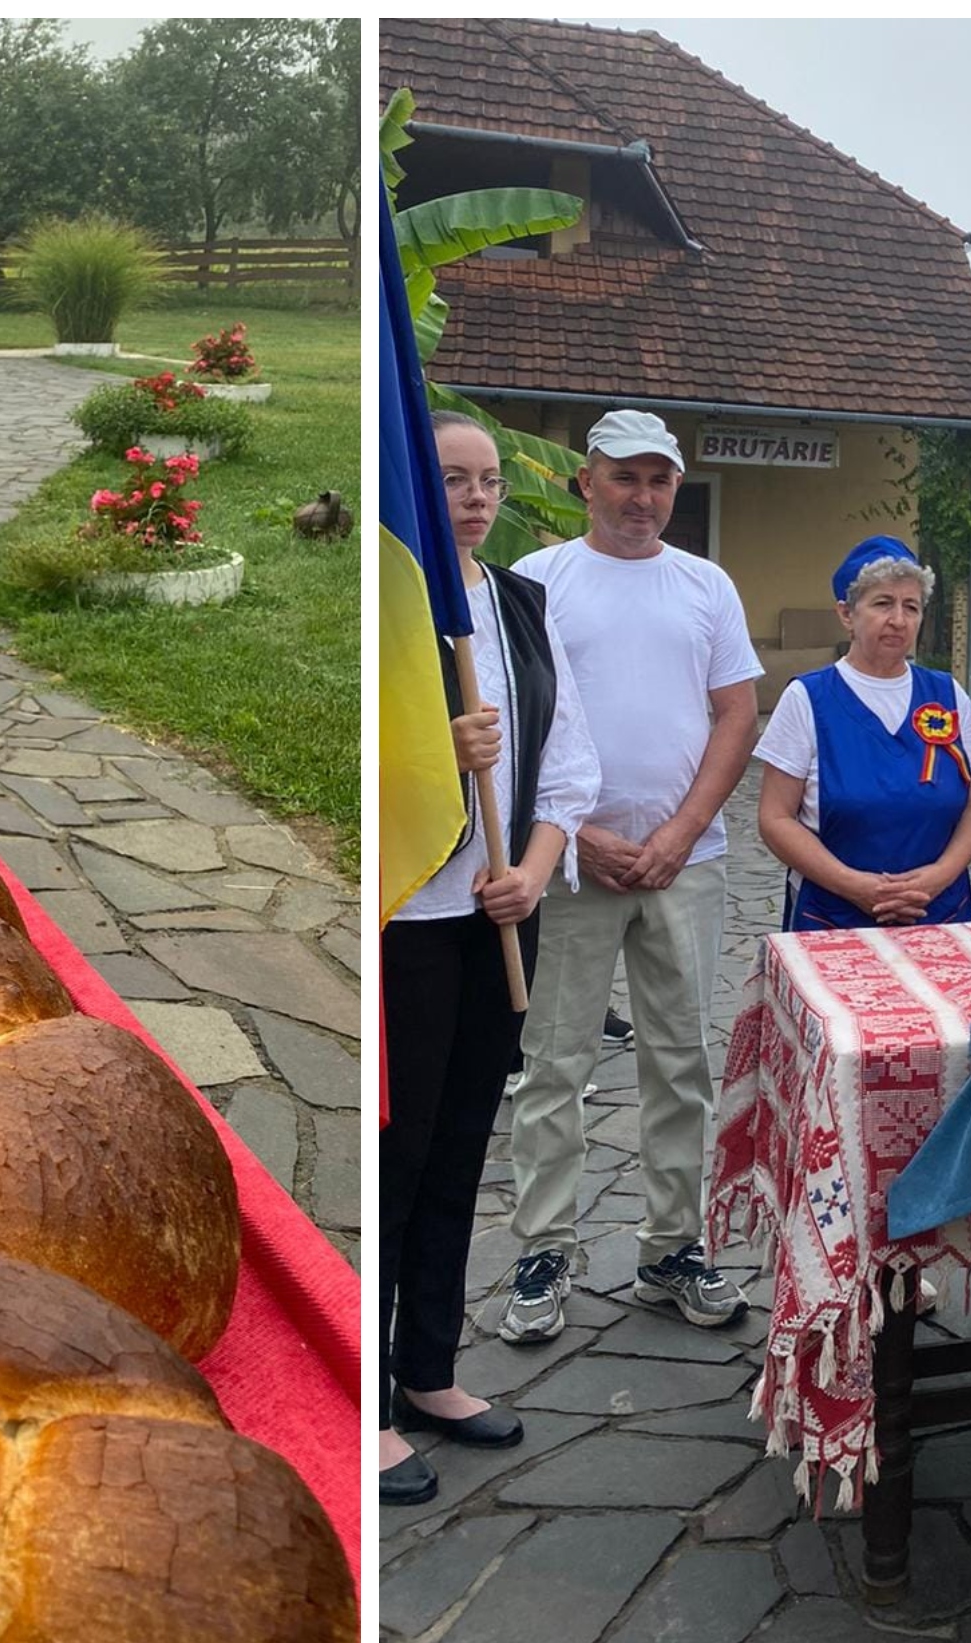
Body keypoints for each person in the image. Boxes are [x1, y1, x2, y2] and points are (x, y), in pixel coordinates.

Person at [494, 410, 762, 1344]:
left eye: (658, 481)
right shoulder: (538, 582)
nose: (642, 498)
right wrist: (581, 834)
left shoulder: (706, 585)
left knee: (680, 1061)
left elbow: (736, 713)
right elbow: (519, 726)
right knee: (555, 1063)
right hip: (569, 863)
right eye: (624, 479)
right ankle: (544, 1247)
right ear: (586, 483)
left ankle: (671, 1248)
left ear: (674, 488)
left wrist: (682, 832)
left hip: (686, 863)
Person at [380, 411, 599, 1507]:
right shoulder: (392, 606)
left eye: (489, 479)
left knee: (467, 1136)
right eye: (453, 478)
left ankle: (428, 1369)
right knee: (400, 1146)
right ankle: (363, 1401)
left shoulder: (518, 602)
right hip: (409, 917)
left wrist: (539, 861)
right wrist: (432, 745)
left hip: (499, 912)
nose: (473, 496)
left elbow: (570, 758)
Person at [754, 536, 971, 929]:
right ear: (847, 613)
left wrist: (938, 877)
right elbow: (775, 817)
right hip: (834, 914)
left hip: (938, 911)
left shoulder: (947, 695)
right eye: (883, 603)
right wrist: (855, 886)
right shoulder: (808, 699)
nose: (898, 620)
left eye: (911, 606)